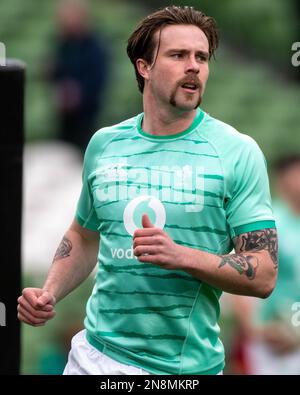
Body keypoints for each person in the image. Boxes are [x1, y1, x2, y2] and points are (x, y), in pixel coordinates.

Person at [18, 6, 278, 375]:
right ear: (144, 67)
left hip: (184, 370)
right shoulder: (105, 144)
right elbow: (85, 234)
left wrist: (181, 256)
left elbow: (265, 272)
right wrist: (49, 292)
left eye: (201, 57)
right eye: (178, 55)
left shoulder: (237, 151)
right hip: (95, 357)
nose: (194, 66)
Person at [228, 155, 300, 375]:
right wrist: (254, 330)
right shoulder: (268, 222)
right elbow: (241, 271)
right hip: (269, 338)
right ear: (281, 180)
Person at [49, 0, 109, 153]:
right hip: (65, 116)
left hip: (87, 115)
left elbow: (99, 78)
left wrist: (79, 95)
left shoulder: (95, 46)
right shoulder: (63, 44)